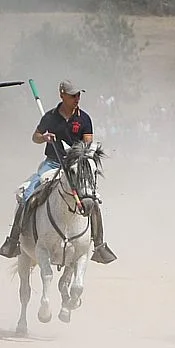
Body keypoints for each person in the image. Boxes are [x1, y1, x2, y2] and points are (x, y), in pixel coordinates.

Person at [0, 80, 116, 263]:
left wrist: (77, 154)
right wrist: (44, 137)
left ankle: (99, 245)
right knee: (28, 194)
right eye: (73, 95)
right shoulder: (50, 117)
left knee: (91, 200)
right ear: (62, 95)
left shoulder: (84, 119)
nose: (77, 98)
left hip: (75, 166)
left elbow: (87, 144)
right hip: (52, 164)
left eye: (78, 95)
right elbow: (35, 137)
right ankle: (14, 240)